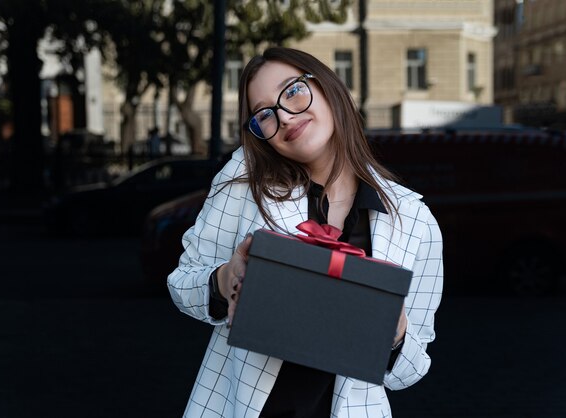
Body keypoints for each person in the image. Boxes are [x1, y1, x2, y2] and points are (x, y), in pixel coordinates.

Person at [168, 47, 443, 418]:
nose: (283, 116)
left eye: (293, 91)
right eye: (263, 113)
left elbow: (411, 369)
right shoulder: (243, 179)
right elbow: (181, 282)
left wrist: (395, 334)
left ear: (329, 87)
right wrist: (225, 279)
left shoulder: (414, 220)